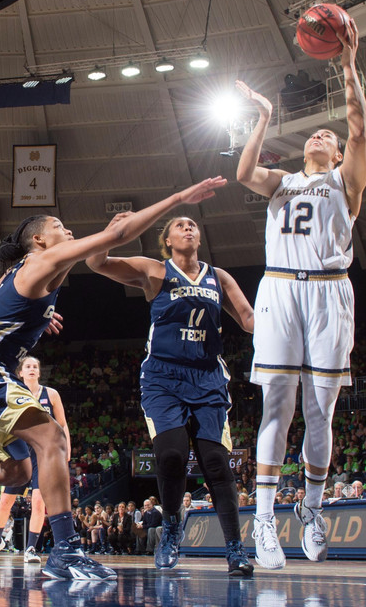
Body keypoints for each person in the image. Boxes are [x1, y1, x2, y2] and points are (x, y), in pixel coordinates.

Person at [0, 177, 227, 581]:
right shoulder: (40, 261)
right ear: (39, 239)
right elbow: (118, 234)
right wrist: (177, 198)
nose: (67, 230)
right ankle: (66, 550)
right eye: (59, 226)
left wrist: (32, 312)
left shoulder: (23, 269)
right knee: (51, 437)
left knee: (16, 473)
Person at [234, 16, 366, 569]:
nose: (321, 136)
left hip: (330, 294)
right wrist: (263, 117)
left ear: (336, 154)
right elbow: (245, 172)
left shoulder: (345, 182)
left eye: (328, 137)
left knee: (320, 412)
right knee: (276, 407)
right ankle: (264, 519)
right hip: (281, 291)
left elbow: (358, 127)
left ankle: (311, 508)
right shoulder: (281, 180)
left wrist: (348, 66)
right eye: (315, 133)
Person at [86, 213, 255, 576]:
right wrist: (113, 232)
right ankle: (173, 528)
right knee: (172, 456)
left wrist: (286, 319)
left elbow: (248, 318)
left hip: (208, 378)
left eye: (192, 224)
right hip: (163, 377)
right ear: (168, 240)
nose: (188, 227)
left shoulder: (219, 277)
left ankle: (236, 549)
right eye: (180, 225)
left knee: (217, 465)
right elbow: (95, 261)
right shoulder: (154, 271)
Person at [0, 356, 69, 565]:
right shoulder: (11, 392)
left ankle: (30, 548)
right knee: (5, 502)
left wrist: (66, 450)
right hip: (18, 451)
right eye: (28, 366)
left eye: (35, 366)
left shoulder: (51, 394)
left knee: (38, 503)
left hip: (43, 454)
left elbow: (62, 425)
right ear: (20, 372)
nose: (32, 369)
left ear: (39, 372)